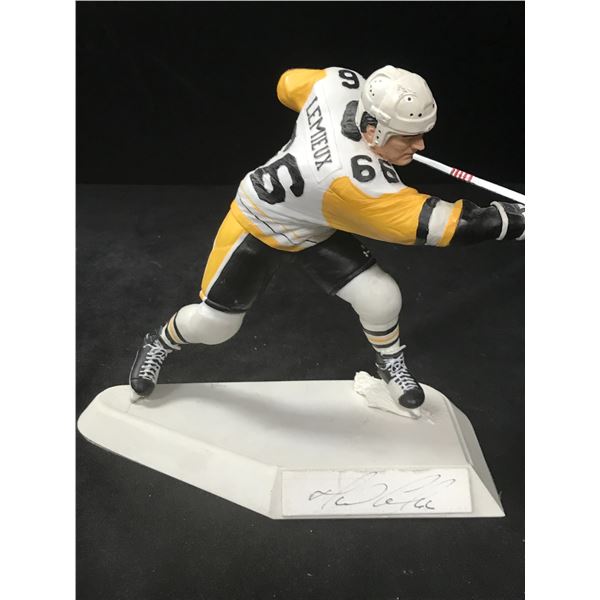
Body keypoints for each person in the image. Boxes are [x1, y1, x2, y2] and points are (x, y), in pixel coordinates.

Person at [129, 65, 524, 409]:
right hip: (260, 223)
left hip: (312, 222)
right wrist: (518, 221)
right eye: (407, 137)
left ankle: (389, 361)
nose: (420, 146)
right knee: (216, 326)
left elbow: (287, 84)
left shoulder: (340, 86)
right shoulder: (351, 182)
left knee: (381, 296)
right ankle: (159, 341)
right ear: (373, 130)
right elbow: (442, 225)